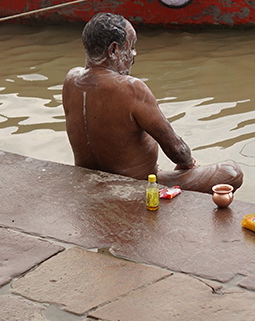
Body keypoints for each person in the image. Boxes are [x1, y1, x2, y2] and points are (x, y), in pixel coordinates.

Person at [62, 12, 243, 194]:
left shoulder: (71, 79)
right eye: (131, 47)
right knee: (232, 173)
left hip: (87, 179)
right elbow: (177, 150)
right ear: (114, 50)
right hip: (134, 185)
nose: (134, 54)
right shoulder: (131, 88)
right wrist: (187, 164)